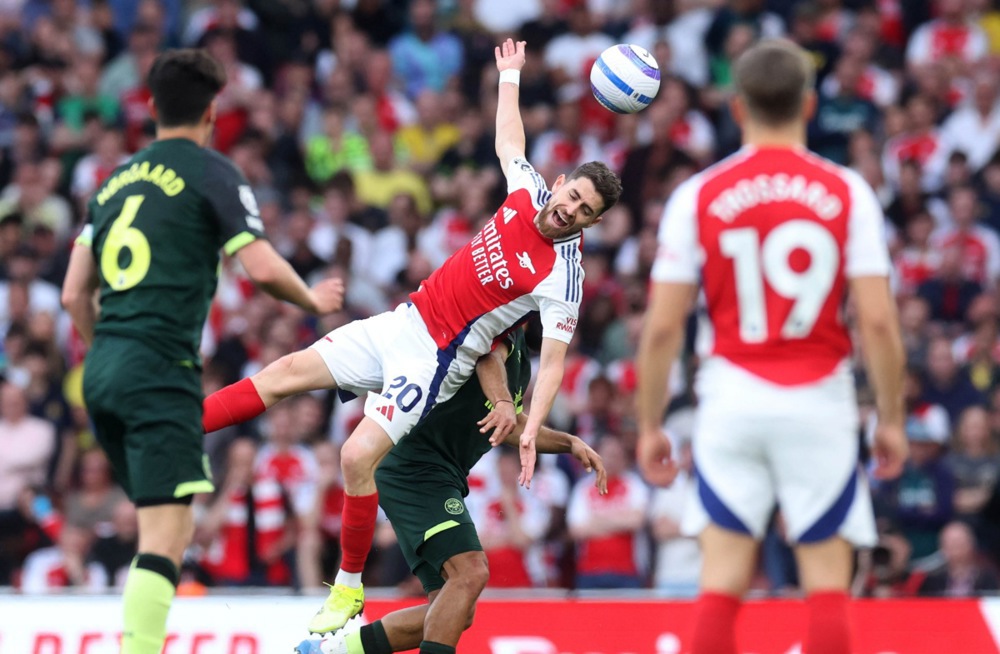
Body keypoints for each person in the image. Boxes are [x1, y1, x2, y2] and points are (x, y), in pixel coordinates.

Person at [200, 38, 621, 635]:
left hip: (434, 361)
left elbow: (551, 364)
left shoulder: (564, 277)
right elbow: (509, 141)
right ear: (558, 184)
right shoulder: (527, 189)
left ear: (594, 224)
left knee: (354, 455)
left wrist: (530, 430)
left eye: (584, 213)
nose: (569, 212)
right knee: (284, 374)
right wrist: (509, 77)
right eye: (572, 196)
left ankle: (347, 591)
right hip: (403, 320)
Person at [60, 49, 344, 654]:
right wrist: (313, 299)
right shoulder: (213, 172)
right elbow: (262, 267)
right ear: (213, 110)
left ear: (153, 107)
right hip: (159, 368)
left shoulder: (113, 180)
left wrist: (107, 349)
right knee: (166, 534)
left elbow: (71, 293)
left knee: (162, 521)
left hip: (102, 369)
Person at [635, 40, 908, 654]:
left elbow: (660, 328)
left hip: (731, 396)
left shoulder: (699, 195)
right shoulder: (847, 193)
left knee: (722, 584)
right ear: (810, 104)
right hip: (819, 399)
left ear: (737, 108)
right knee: (827, 588)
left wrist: (651, 423)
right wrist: (889, 418)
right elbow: (879, 323)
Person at [301, 330, 606, 654]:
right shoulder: (503, 326)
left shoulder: (520, 362)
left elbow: (511, 425)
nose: (564, 334)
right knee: (471, 572)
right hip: (415, 466)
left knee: (455, 608)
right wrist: (503, 401)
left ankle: (332, 651)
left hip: (434, 472)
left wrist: (569, 442)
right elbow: (488, 358)